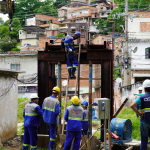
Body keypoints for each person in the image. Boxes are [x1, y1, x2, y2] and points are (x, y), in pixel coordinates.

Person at [130, 79, 150, 150]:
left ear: (144, 89)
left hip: (144, 122)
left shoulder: (141, 97)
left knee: (144, 142)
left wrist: (138, 113)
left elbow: (132, 105)